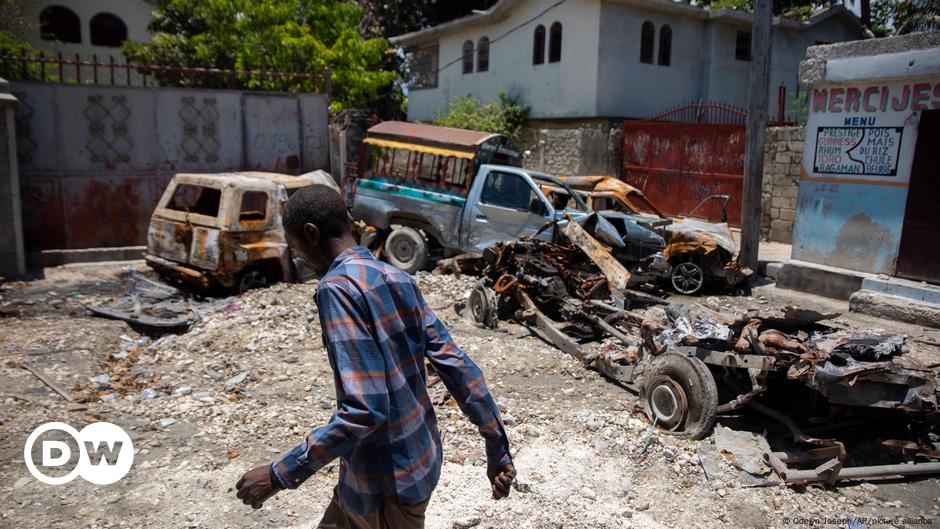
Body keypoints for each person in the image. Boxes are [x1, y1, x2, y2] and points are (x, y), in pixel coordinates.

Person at [235, 184, 515, 528]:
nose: (298, 256)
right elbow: (457, 365)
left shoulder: (336, 290)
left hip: (382, 488)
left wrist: (279, 474)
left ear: (311, 234)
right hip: (414, 465)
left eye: (294, 245)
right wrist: (496, 445)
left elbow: (365, 411)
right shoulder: (398, 278)